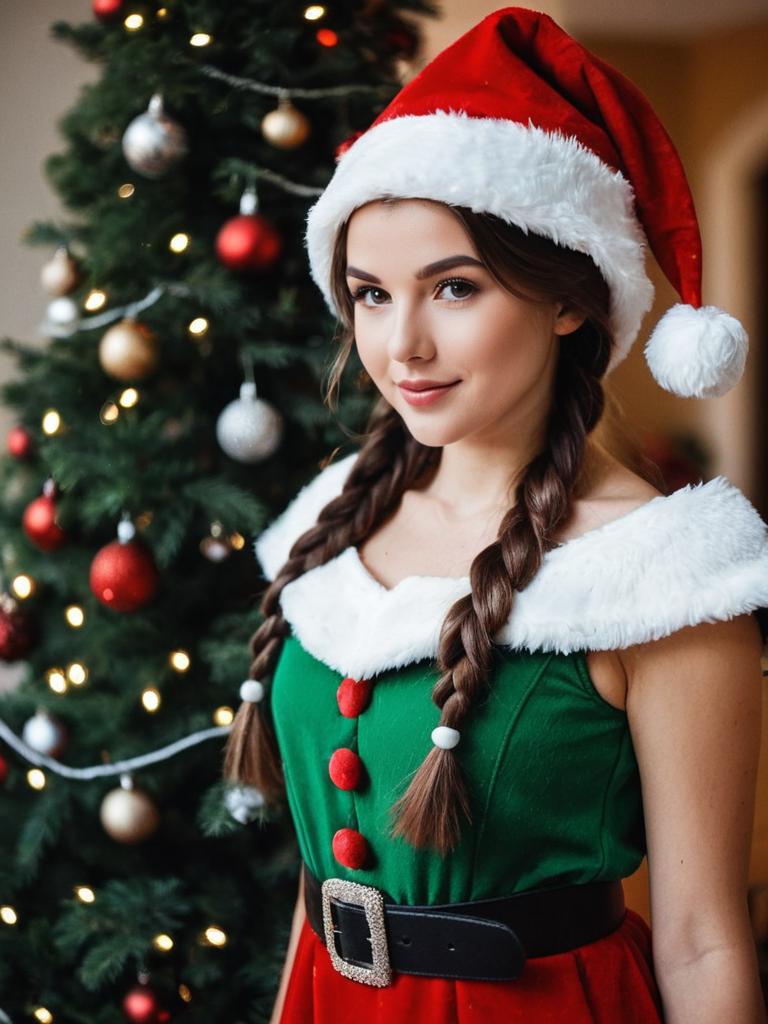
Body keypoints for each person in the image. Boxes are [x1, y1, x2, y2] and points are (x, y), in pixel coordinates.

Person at [223, 8, 768, 1022]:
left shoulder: (665, 577)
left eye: (455, 288)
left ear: (570, 296)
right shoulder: (329, 529)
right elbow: (317, 893)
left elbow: (702, 941)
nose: (402, 346)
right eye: (371, 295)